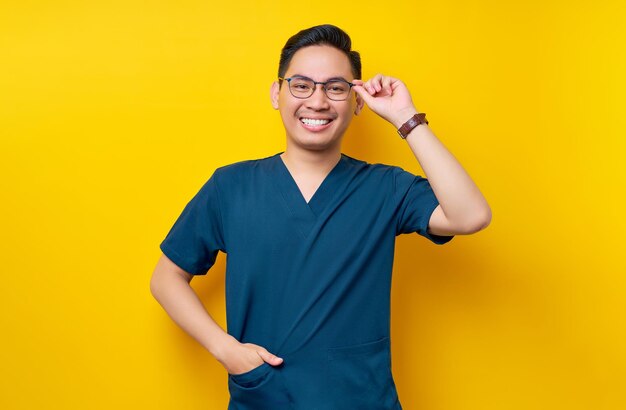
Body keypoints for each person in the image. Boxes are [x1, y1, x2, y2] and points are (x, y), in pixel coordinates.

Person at [150, 24, 491, 410]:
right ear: (277, 94)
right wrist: (226, 350)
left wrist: (406, 118)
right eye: (301, 85)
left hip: (362, 399)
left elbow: (471, 215)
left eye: (335, 88)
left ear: (358, 101)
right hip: (265, 396)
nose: (318, 101)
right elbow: (166, 278)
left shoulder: (386, 188)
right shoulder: (231, 186)